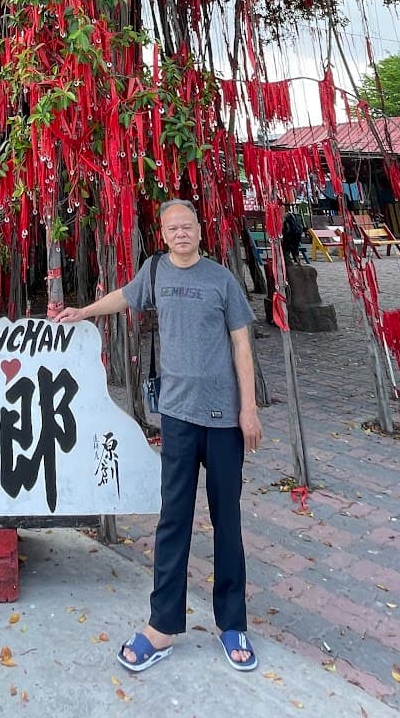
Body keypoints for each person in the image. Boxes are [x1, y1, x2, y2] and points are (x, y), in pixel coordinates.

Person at [54, 199, 263, 675]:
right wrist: (83, 312)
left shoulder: (221, 279)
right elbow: (124, 298)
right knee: (173, 521)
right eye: (173, 228)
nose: (181, 234)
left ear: (199, 229)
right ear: (164, 233)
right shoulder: (155, 272)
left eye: (187, 226)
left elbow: (241, 346)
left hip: (226, 420)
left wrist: (248, 409)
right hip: (177, 417)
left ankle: (232, 624)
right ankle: (161, 625)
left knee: (227, 523)